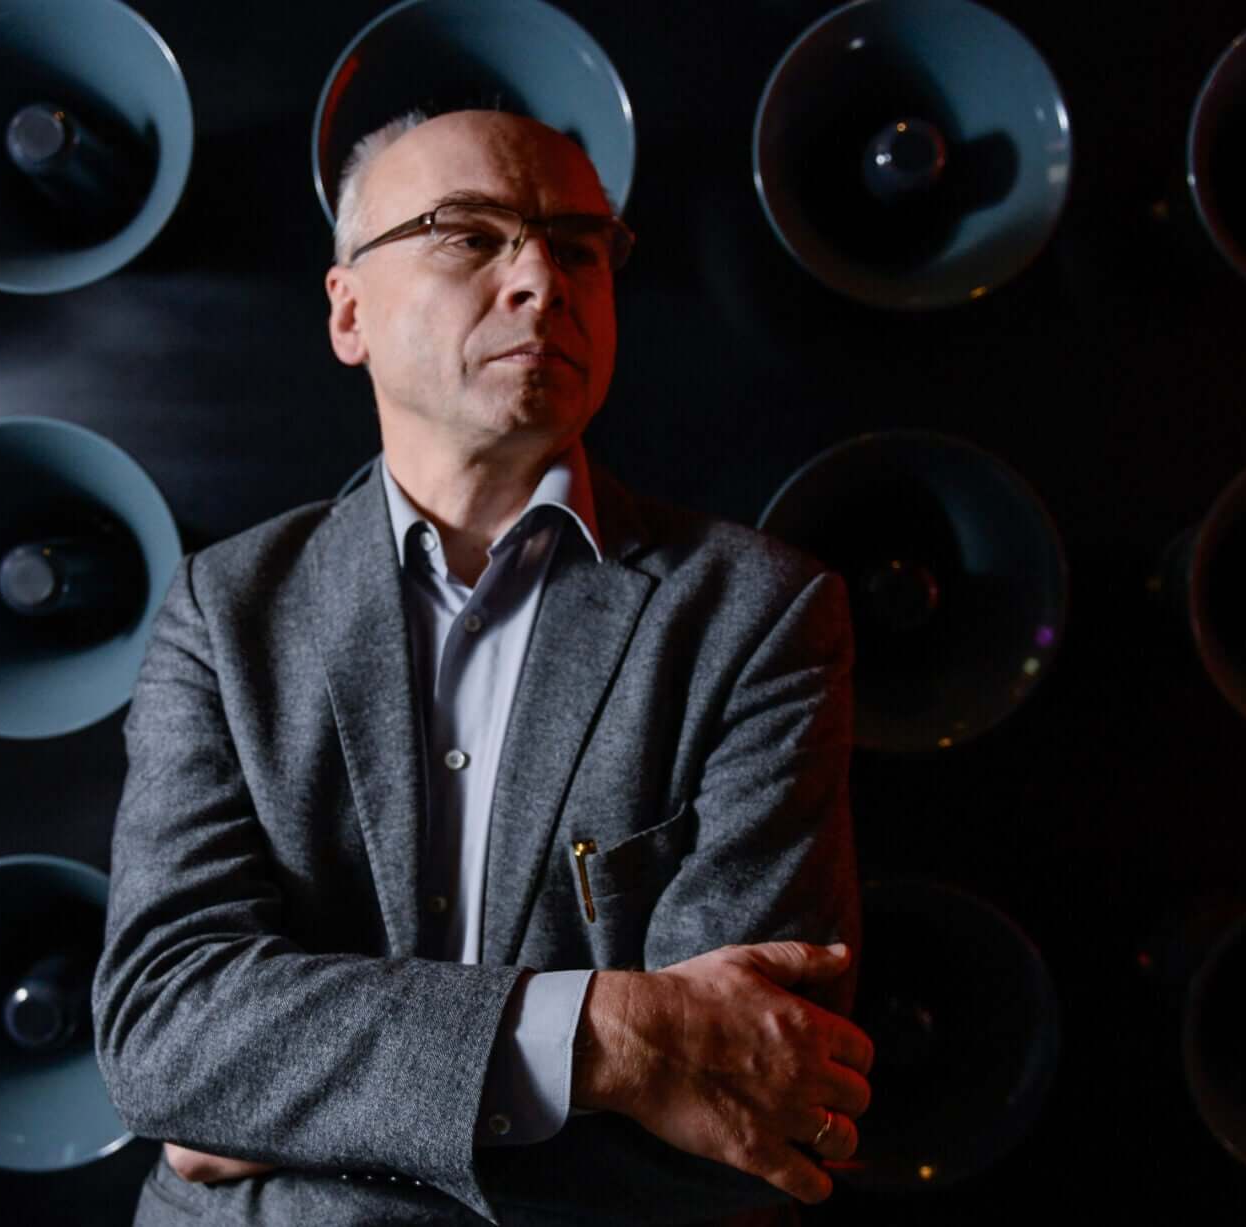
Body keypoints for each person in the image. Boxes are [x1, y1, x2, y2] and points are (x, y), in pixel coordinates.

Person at [93, 109, 869, 1227]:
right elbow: (166, 1036)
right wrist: (619, 1033)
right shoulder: (227, 613)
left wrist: (274, 1108)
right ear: (348, 310)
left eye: (579, 245)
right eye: (470, 235)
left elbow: (753, 1089)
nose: (542, 282)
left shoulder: (759, 617)